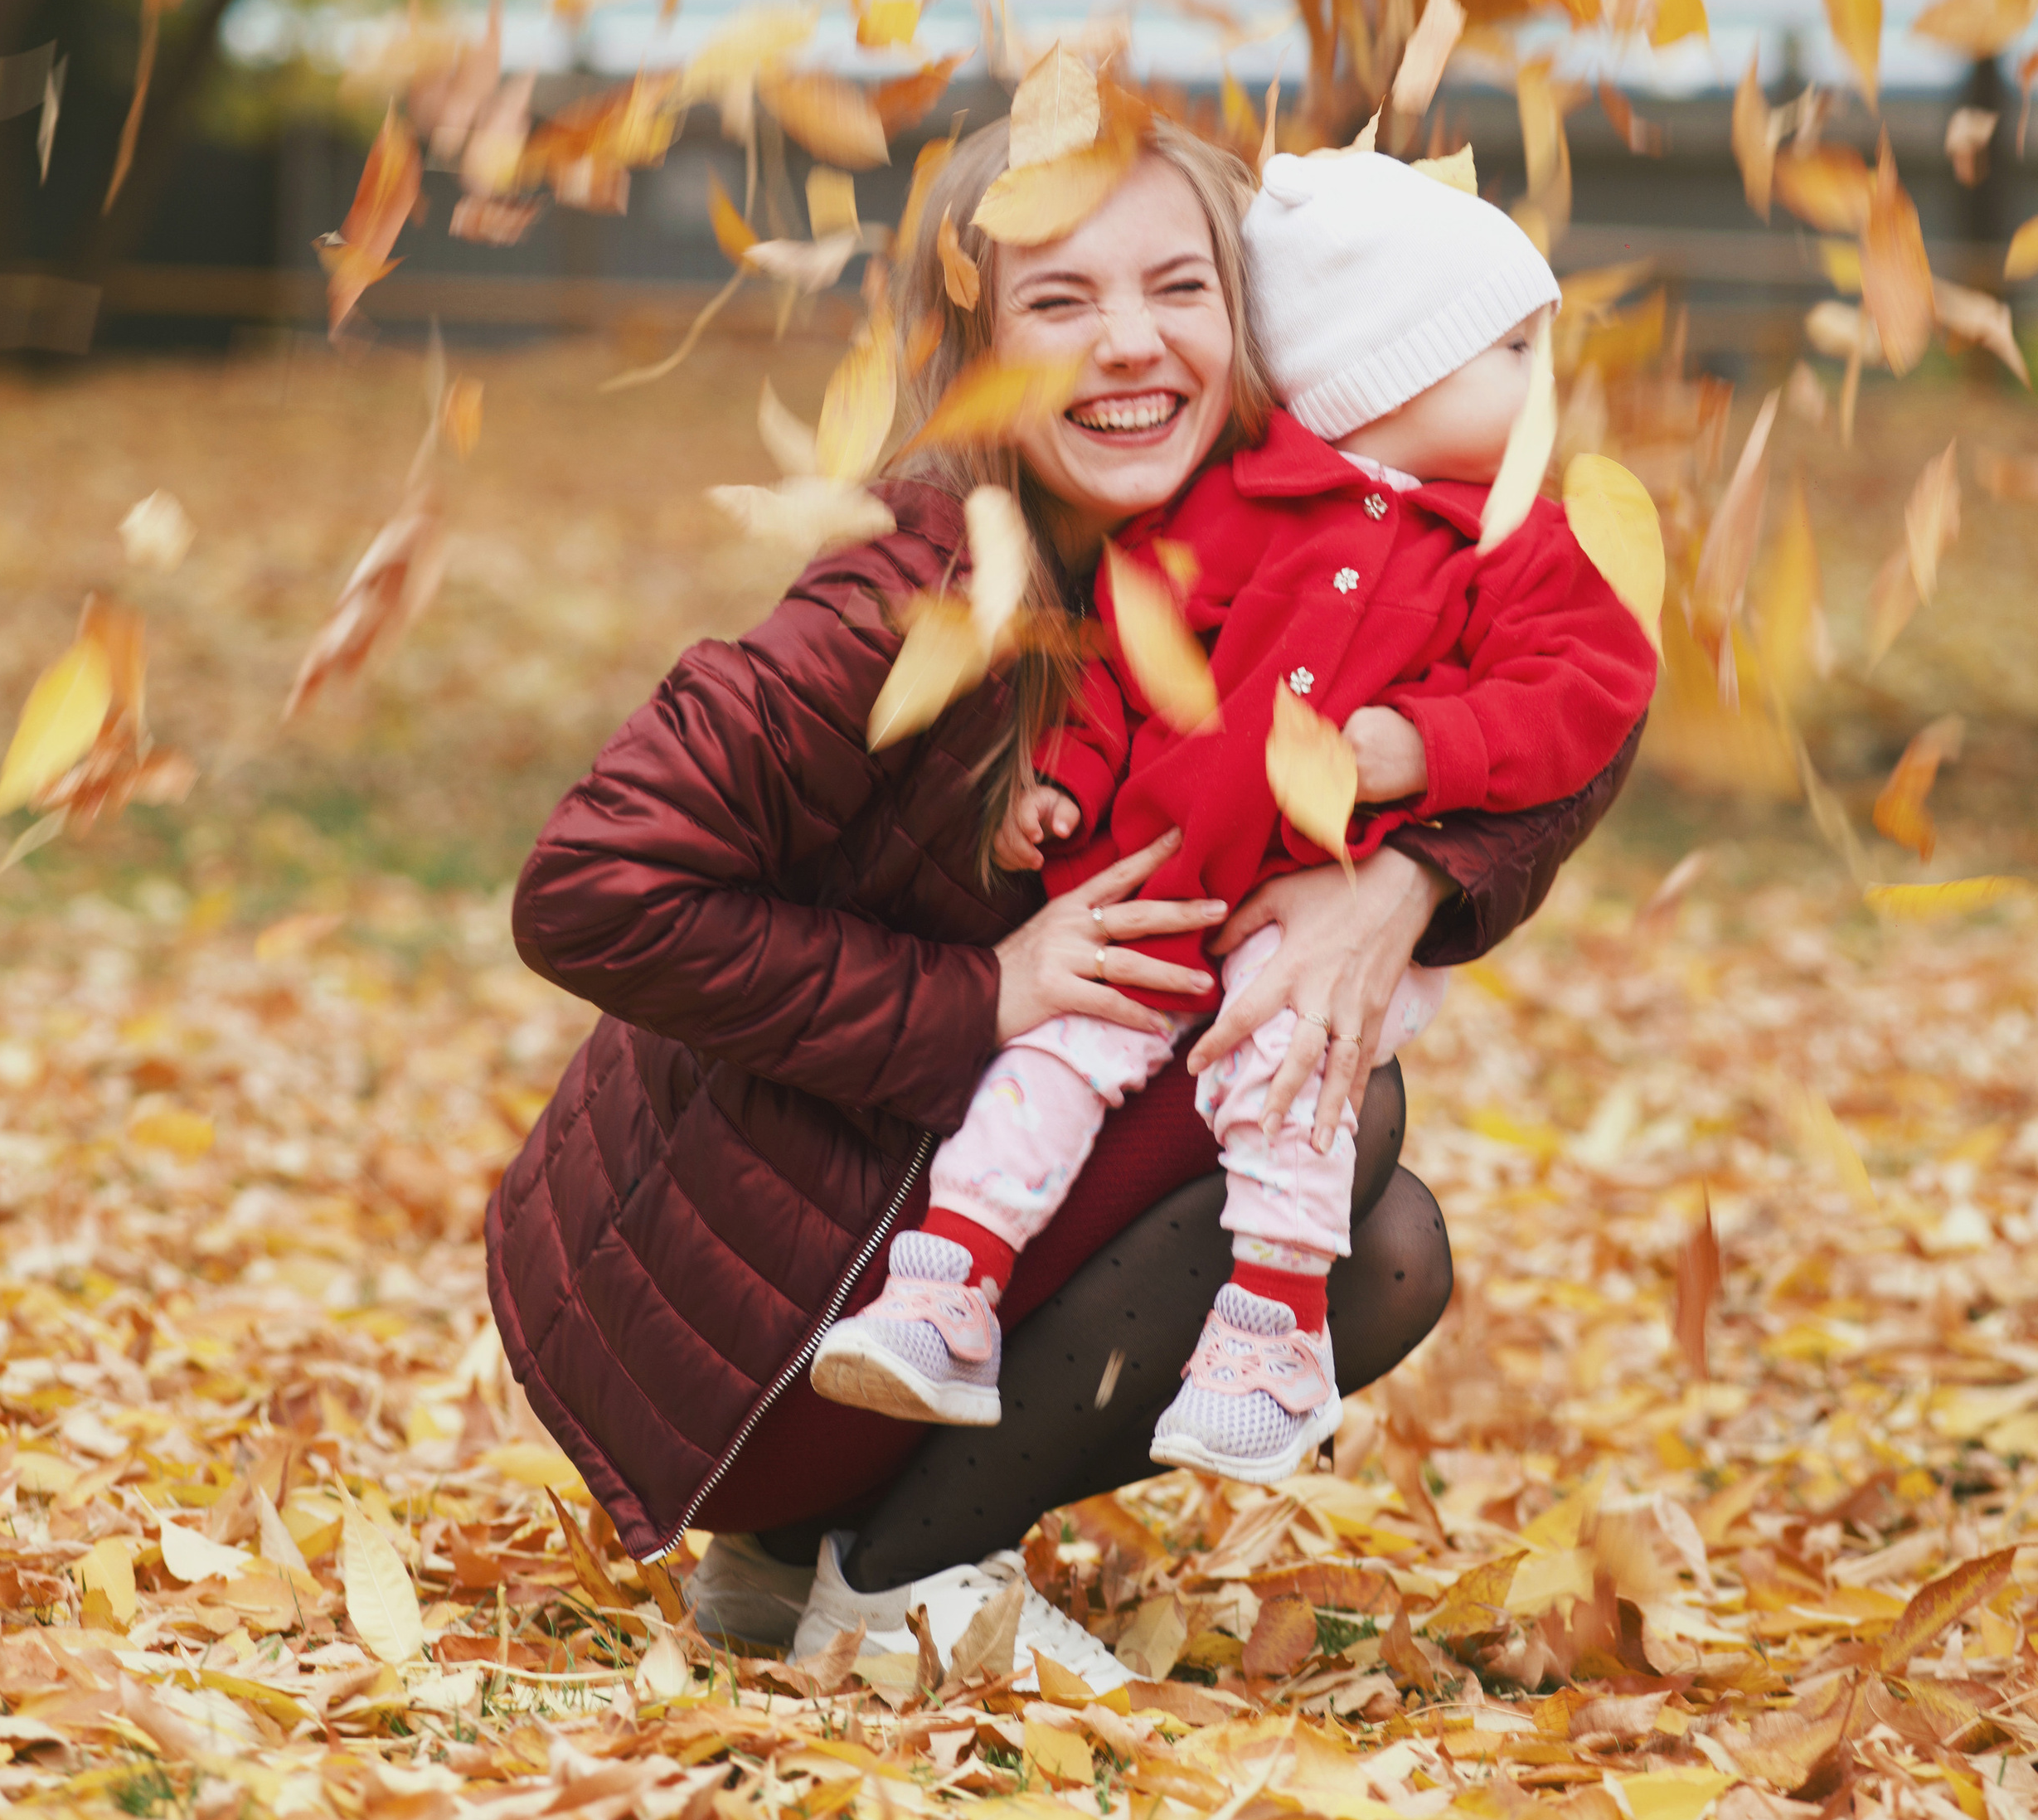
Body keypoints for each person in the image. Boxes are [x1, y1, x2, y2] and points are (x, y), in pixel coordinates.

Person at [488, 116, 1647, 1680]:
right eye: (1059, 302)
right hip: (749, 1320)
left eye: (1180, 287)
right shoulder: (906, 598)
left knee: (1387, 1249)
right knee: (1339, 1104)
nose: (1131, 343)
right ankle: (898, 1576)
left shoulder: (1281, 528)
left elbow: (1584, 703)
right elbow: (587, 889)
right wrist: (982, 998)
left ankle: (793, 1572)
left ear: (1257, 323)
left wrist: (1405, 881)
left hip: (881, 1237)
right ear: (971, 349)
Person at [810, 149, 1657, 1488]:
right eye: (1509, 349)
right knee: (1050, 1066)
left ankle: (1271, 1332)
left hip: (1293, 906)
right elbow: (1119, 662)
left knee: (1293, 1073)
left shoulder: (1517, 548)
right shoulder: (1231, 502)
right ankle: (944, 1289)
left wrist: (1422, 750)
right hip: (1148, 879)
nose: (1544, 384)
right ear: (1391, 370)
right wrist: (1066, 785)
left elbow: (1595, 693)